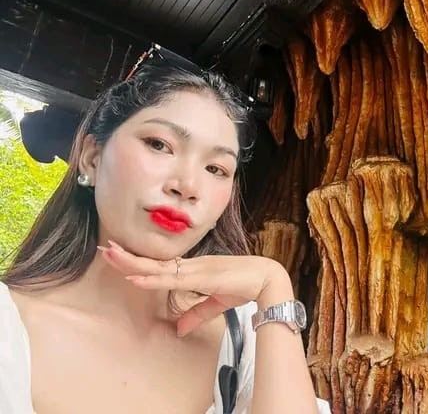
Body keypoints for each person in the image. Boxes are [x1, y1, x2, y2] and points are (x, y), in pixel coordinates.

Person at [0, 47, 330, 413]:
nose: (187, 186)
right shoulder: (9, 326)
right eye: (159, 145)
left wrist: (274, 286)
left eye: (216, 169)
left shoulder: (244, 339)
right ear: (91, 158)